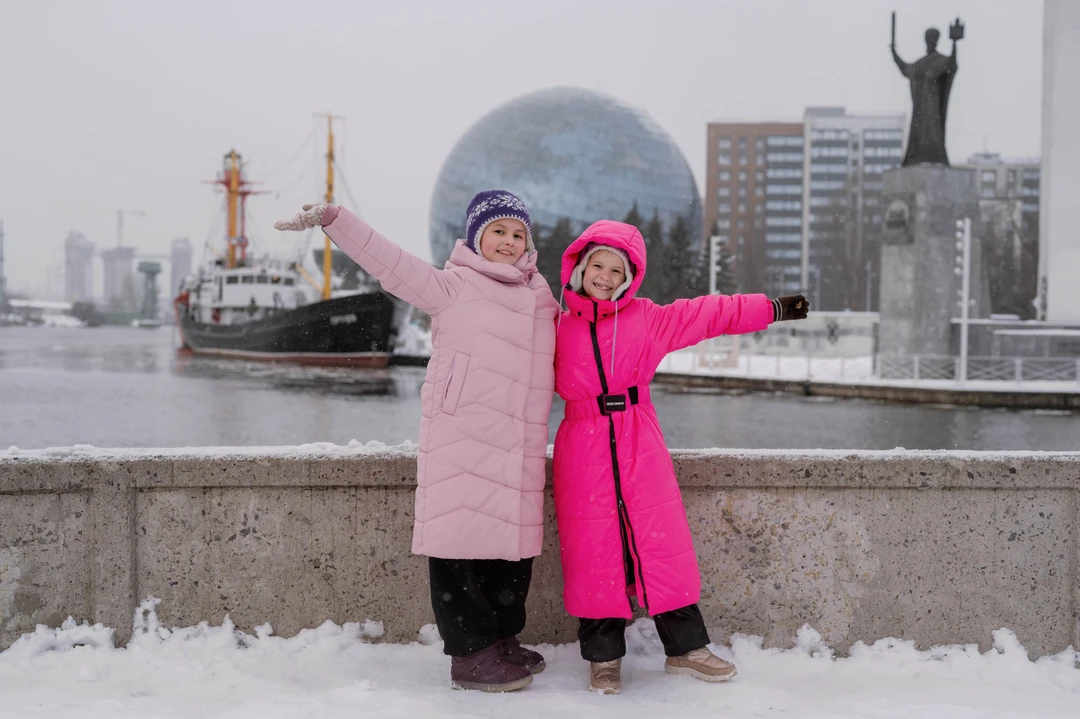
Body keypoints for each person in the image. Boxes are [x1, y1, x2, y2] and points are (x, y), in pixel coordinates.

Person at [275, 191, 558, 693]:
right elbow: (391, 262)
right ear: (476, 237)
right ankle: (470, 654)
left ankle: (501, 639)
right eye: (499, 231)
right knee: (460, 546)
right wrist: (335, 220)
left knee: (513, 551)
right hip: (463, 441)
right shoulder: (451, 286)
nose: (510, 242)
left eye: (519, 234)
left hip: (517, 444)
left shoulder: (541, 298)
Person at [551, 220, 808, 694]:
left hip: (638, 438)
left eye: (617, 270)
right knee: (594, 551)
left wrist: (772, 308)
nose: (605, 277)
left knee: (659, 544)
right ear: (580, 269)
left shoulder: (646, 318)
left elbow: (709, 313)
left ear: (629, 278)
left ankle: (687, 649)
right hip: (580, 442)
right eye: (597, 266)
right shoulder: (554, 325)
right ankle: (603, 657)